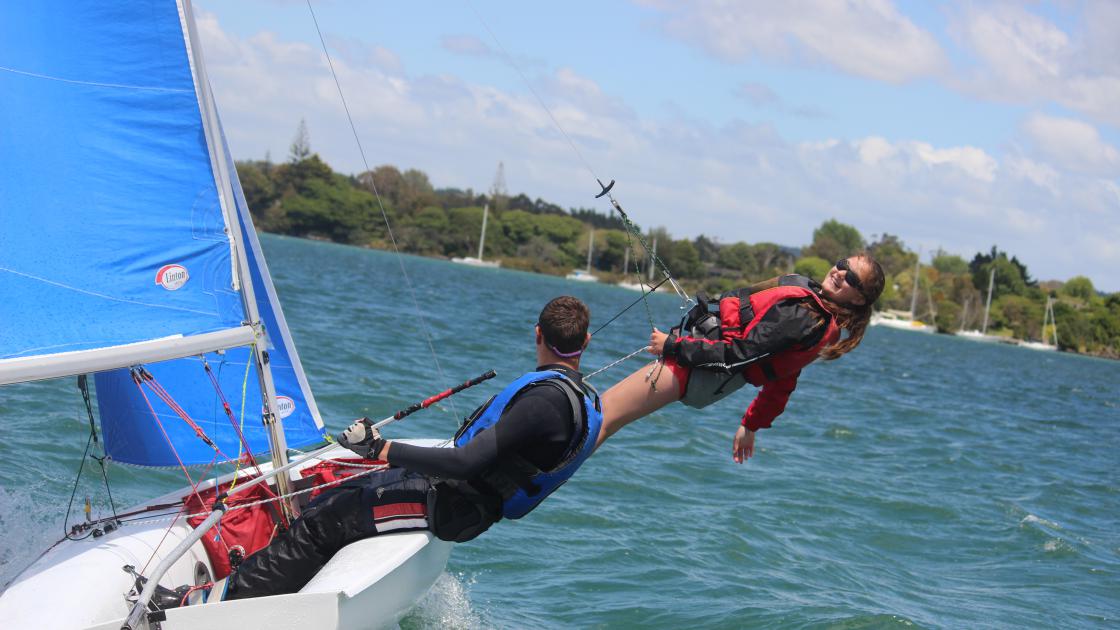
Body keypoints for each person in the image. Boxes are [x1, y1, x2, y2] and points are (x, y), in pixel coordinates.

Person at [223, 296, 601, 600]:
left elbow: (465, 462)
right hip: (452, 494)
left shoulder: (545, 402)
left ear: (537, 334)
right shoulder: (579, 397)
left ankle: (232, 603)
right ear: (585, 342)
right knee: (334, 493)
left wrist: (379, 447)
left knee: (326, 521)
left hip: (451, 504)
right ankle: (278, 581)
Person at [597, 255, 884, 462]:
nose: (840, 272)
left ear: (859, 299)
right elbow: (784, 379)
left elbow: (738, 355)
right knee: (604, 416)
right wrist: (751, 424)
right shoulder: (813, 311)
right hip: (703, 364)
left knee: (603, 416)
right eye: (843, 264)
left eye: (852, 278)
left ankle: (554, 468)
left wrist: (672, 346)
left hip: (700, 371)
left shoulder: (804, 316)